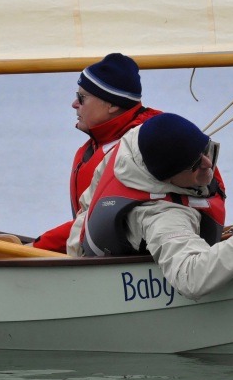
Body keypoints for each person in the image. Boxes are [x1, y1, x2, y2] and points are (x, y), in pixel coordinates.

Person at [68, 113, 233, 300]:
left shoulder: (131, 145)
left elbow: (88, 203)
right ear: (168, 178)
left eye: (206, 150)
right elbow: (191, 278)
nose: (208, 164)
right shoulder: (160, 216)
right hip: (105, 278)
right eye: (196, 164)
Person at [31, 53, 162, 252]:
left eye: (81, 98)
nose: (74, 104)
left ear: (112, 104)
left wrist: (37, 247)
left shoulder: (135, 151)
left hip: (118, 260)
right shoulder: (97, 147)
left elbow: (99, 220)